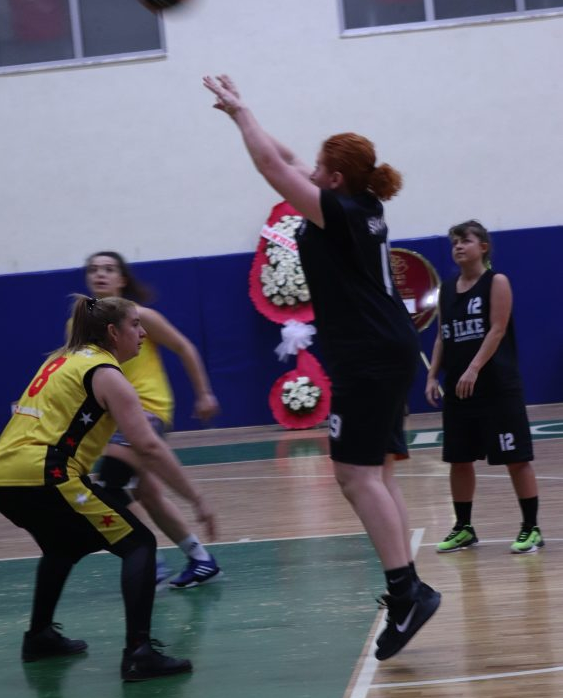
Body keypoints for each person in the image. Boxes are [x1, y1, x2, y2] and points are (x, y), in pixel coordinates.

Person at [202, 74, 440, 661]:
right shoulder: (362, 202)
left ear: (334, 180)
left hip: (368, 354)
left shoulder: (342, 212)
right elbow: (286, 160)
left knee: (353, 476)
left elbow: (272, 168)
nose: (307, 168)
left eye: (319, 166)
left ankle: (406, 591)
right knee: (377, 473)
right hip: (385, 347)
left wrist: (239, 117)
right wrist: (246, 110)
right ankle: (408, 585)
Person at [0, 294, 217, 680]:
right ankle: (139, 653)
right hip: (46, 475)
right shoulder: (107, 374)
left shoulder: (61, 360)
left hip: (2, 478)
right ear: (113, 332)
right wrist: (197, 498)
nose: (143, 333)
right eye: (135, 325)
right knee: (139, 543)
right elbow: (148, 447)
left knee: (62, 546)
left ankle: (39, 637)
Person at [85, 251, 222, 588]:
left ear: (122, 279)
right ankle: (201, 559)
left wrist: (204, 393)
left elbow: (184, 347)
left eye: (109, 269)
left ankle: (150, 562)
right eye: (94, 269)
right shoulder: (81, 323)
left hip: (147, 409)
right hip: (112, 415)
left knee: (111, 486)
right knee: (147, 493)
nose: (100, 274)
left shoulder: (140, 316)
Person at [425, 220, 541, 554]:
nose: (458, 247)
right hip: (460, 390)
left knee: (515, 458)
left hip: (497, 387)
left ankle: (531, 527)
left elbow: (497, 329)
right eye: (454, 243)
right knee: (459, 460)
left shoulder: (496, 281)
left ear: (483, 247)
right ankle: (463, 527)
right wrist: (432, 375)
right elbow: (442, 336)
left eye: (465, 241)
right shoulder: (447, 289)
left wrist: (474, 368)